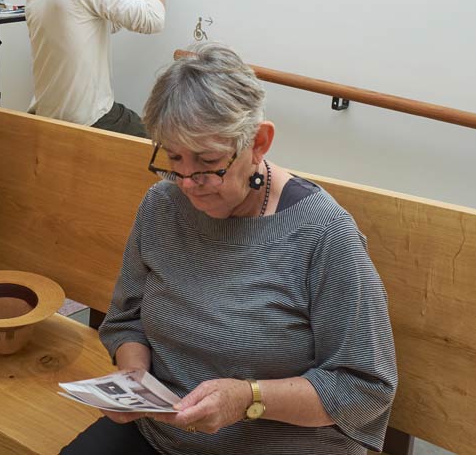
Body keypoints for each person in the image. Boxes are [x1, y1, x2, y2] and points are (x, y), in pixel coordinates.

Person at [62, 43, 397, 455]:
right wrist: (134, 381)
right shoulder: (162, 204)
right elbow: (126, 319)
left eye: (208, 162)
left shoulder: (324, 233)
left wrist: (249, 399)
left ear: (258, 143)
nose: (187, 181)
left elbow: (365, 388)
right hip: (163, 435)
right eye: (174, 158)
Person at [25, 0, 166, 138]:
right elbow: (153, 19)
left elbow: (111, 23)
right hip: (91, 119)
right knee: (158, 151)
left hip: (50, 116)